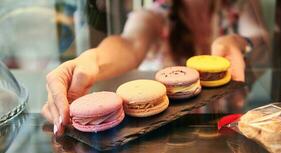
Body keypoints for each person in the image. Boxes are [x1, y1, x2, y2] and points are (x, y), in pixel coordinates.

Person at [42, 0, 269, 135]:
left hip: (228, 126)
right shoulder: (159, 10)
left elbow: (259, 39)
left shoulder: (238, 4)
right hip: (165, 136)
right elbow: (129, 44)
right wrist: (92, 58)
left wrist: (240, 43)